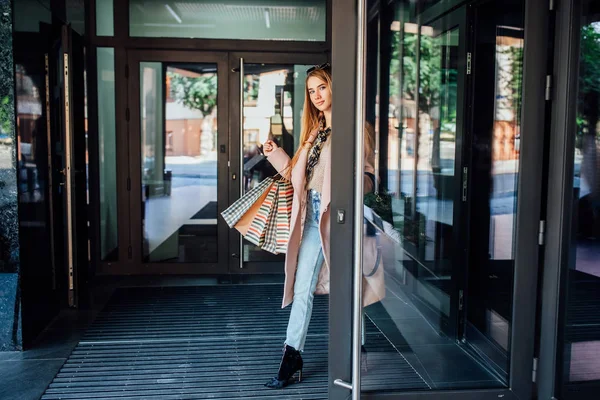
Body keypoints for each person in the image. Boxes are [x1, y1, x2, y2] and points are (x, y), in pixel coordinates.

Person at [262, 63, 384, 389]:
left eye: (322, 88)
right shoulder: (315, 133)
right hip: (314, 221)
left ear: (334, 88)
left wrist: (355, 186)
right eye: (312, 90)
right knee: (302, 287)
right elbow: (298, 176)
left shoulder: (356, 128)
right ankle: (292, 354)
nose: (316, 95)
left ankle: (357, 348)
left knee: (348, 286)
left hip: (340, 217)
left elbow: (371, 175)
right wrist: (276, 154)